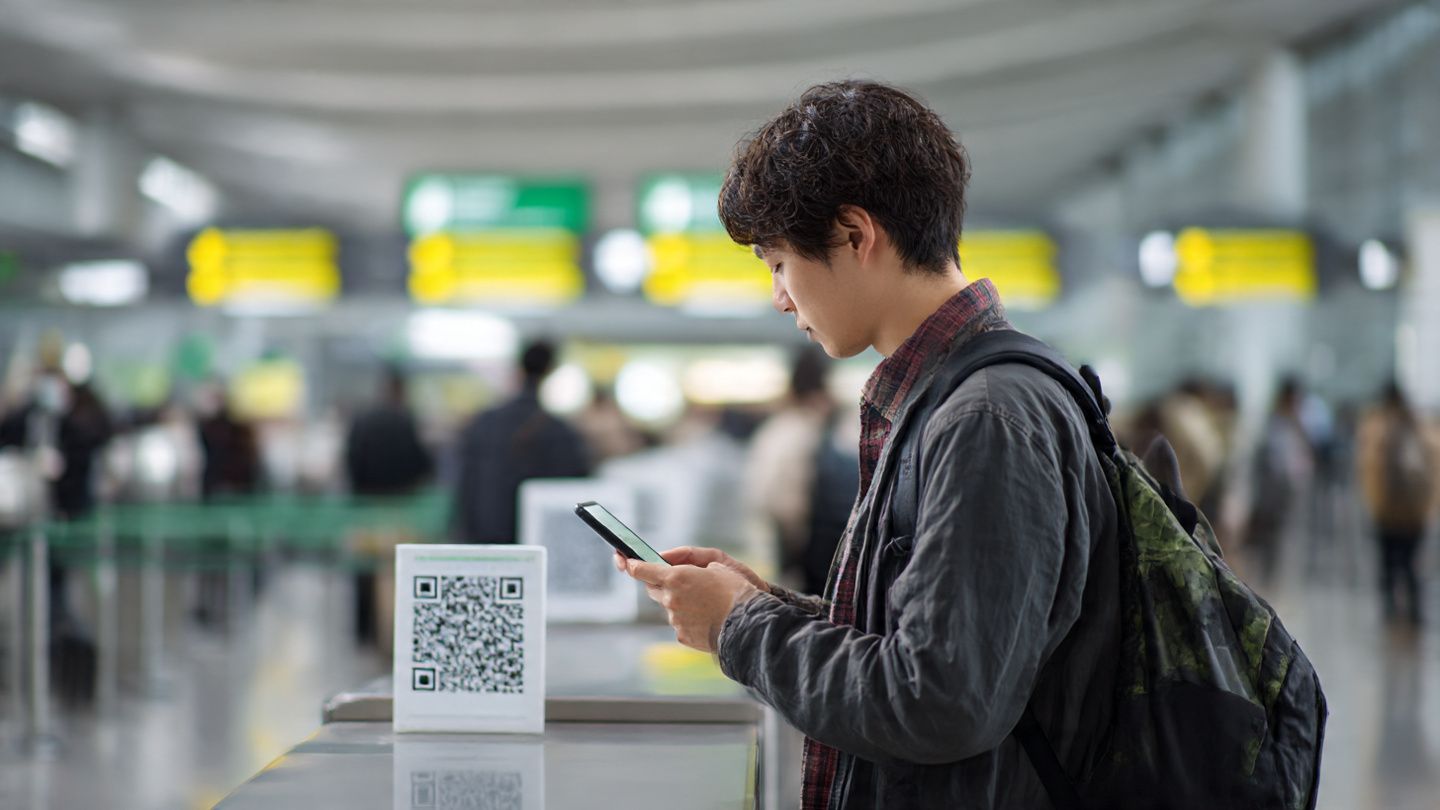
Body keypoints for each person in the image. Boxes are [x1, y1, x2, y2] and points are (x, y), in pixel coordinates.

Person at [617, 81, 1120, 808]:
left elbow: (939, 702)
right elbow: (926, 648)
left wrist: (738, 626)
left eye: (778, 263)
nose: (779, 298)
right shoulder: (953, 398)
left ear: (855, 235)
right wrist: (764, 604)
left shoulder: (985, 415)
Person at [743, 346, 859, 594]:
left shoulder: (779, 431)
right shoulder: (838, 428)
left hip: (805, 554)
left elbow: (771, 501)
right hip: (830, 552)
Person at [453, 340, 590, 544]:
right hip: (536, 542)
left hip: (485, 536)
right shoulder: (559, 431)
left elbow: (464, 485)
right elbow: (571, 493)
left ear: (518, 369)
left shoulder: (484, 422)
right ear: (551, 371)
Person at [1356, 380, 1437, 624]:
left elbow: (1367, 469)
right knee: (1410, 565)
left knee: (1390, 565)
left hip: (1388, 511)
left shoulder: (1377, 427)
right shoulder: (1420, 427)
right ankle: (1412, 613)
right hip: (1413, 512)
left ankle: (1393, 612)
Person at [345, 367, 433, 497]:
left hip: (367, 495)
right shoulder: (406, 420)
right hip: (402, 495)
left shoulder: (362, 418)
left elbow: (352, 459)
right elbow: (421, 462)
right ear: (400, 391)